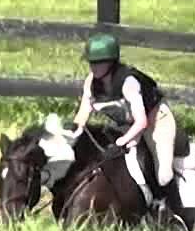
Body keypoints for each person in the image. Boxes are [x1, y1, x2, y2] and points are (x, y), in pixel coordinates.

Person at [69, 32, 178, 213]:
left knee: (164, 174)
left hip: (156, 123)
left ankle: (170, 209)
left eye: (99, 62)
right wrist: (71, 136)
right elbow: (83, 114)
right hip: (127, 124)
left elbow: (142, 122)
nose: (93, 67)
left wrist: (121, 141)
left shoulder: (128, 82)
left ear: (111, 62)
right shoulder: (91, 82)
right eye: (91, 62)